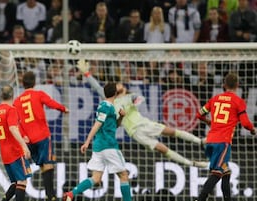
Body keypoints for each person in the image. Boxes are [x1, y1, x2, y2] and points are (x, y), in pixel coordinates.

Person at [77, 59, 207, 168]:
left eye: (120, 84)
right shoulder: (111, 102)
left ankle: (199, 141)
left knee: (171, 132)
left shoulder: (130, 96)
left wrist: (134, 101)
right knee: (162, 149)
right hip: (134, 132)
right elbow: (98, 87)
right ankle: (190, 163)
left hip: (144, 123)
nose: (120, 84)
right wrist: (87, 73)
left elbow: (139, 99)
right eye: (118, 84)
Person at [63, 82, 145, 201]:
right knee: (123, 175)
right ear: (115, 94)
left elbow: (113, 126)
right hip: (109, 146)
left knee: (96, 178)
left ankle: (70, 194)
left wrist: (122, 116)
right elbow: (97, 124)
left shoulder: (108, 106)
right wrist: (87, 141)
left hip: (99, 147)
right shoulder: (106, 107)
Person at [191, 73, 256, 201]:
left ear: (224, 85)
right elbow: (245, 123)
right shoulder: (238, 101)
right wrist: (252, 130)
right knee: (217, 172)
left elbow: (199, 114)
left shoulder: (215, 99)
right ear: (237, 85)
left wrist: (209, 122)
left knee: (226, 171)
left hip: (210, 140)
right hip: (223, 142)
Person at [13, 71, 69, 201]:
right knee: (48, 165)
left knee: (37, 168)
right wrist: (63, 109)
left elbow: (16, 121)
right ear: (34, 82)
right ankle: (50, 200)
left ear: (23, 83)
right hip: (42, 136)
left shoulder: (17, 101)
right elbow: (51, 103)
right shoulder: (38, 94)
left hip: (28, 140)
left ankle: (52, 200)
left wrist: (23, 136)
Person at [0, 85, 32, 201]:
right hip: (15, 150)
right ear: (12, 95)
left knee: (16, 181)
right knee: (22, 180)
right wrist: (24, 145)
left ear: (1, 95)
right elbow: (13, 128)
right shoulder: (11, 109)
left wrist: (2, 141)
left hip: (4, 151)